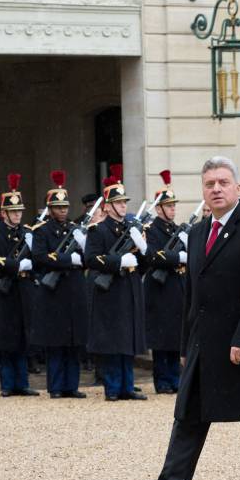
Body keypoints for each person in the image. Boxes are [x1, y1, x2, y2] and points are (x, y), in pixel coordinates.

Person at [122, 156, 240, 480]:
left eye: (223, 182)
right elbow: (192, 296)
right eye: (210, 183)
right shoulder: (197, 232)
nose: (216, 189)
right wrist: (184, 346)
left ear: (238, 188)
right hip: (204, 342)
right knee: (188, 416)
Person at [85, 165, 148, 401]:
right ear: (108, 206)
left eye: (124, 202)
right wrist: (118, 260)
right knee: (113, 340)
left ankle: (127, 387)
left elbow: (144, 262)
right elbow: (91, 259)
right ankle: (112, 388)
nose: (123, 206)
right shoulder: (98, 230)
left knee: (128, 339)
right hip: (110, 290)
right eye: (119, 203)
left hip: (129, 288)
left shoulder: (131, 229)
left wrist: (142, 250)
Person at [0, 174, 40, 396]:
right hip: (4, 290)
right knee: (5, 339)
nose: (17, 215)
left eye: (19, 211)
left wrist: (30, 262)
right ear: (3, 213)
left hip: (23, 290)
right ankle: (7, 384)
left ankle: (22, 383)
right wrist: (17, 265)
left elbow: (38, 260)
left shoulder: (27, 233)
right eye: (13, 211)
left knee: (23, 338)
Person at [30, 170, 88, 399]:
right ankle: (55, 386)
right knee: (56, 342)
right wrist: (66, 260)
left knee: (73, 342)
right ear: (50, 209)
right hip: (54, 293)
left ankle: (71, 386)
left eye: (65, 206)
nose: (63, 210)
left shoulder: (75, 230)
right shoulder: (42, 231)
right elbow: (40, 257)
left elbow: (89, 258)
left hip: (73, 290)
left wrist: (82, 252)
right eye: (58, 207)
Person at [143, 169, 186, 394]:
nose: (173, 209)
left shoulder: (177, 229)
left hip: (176, 288)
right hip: (159, 289)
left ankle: (175, 378)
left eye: (173, 206)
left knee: (176, 336)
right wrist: (177, 257)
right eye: (169, 206)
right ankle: (162, 380)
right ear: (159, 209)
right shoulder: (151, 229)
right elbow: (152, 255)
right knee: (161, 337)